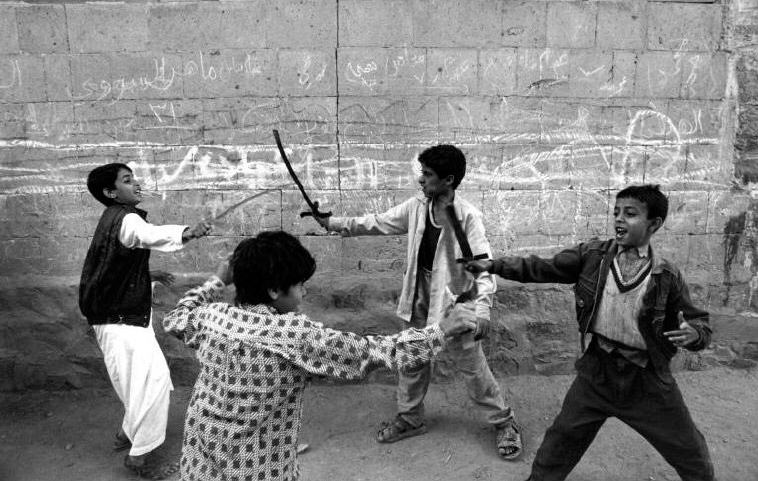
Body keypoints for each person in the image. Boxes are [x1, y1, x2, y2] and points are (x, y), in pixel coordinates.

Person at [162, 230, 477, 481]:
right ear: (274, 289)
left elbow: (176, 317)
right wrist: (440, 331)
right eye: (300, 285)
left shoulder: (211, 317)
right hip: (256, 469)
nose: (303, 293)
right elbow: (376, 352)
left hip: (201, 460)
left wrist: (217, 280)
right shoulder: (294, 336)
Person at [466, 184, 714, 481]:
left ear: (654, 224)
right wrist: (493, 265)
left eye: (630, 214)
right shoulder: (593, 256)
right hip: (597, 372)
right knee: (560, 442)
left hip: (646, 381)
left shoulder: (666, 276)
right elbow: (541, 267)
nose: (619, 219)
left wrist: (694, 335)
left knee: (689, 452)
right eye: (616, 212)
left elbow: (700, 322)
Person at [311, 144, 522, 460]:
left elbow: (484, 265)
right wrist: (335, 223)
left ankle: (504, 422)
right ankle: (410, 418)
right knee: (412, 357)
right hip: (419, 293)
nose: (421, 180)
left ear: (448, 180)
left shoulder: (467, 218)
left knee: (472, 366)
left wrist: (481, 310)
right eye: (421, 173)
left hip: (455, 301)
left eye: (428, 175)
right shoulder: (417, 207)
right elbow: (379, 221)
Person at [79, 163, 211, 480]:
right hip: (119, 320)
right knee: (150, 384)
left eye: (133, 178)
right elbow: (146, 235)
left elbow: (113, 264)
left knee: (145, 381)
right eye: (127, 181)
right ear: (111, 193)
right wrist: (186, 232)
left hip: (118, 317)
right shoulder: (125, 219)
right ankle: (141, 457)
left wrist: (147, 275)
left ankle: (127, 432)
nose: (136, 184)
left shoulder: (114, 220)